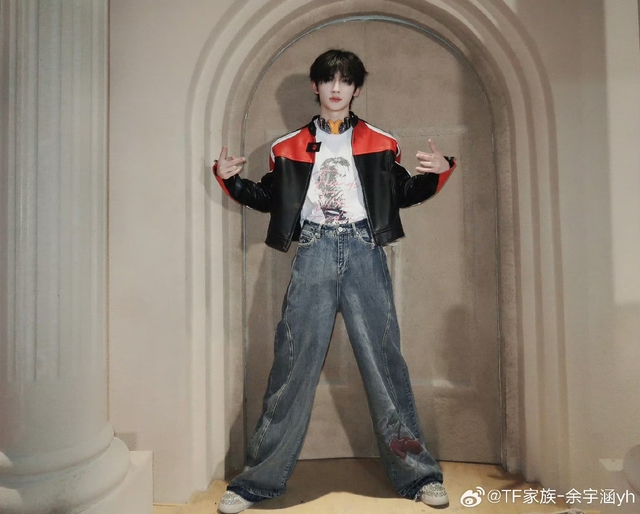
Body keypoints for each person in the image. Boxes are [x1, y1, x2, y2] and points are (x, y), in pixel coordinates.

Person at [213, 49, 456, 513]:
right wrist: (231, 182)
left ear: (357, 88)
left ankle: (419, 475)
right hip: (314, 251)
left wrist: (438, 174)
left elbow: (403, 192)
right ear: (316, 86)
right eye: (329, 80)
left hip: (365, 250)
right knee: (292, 365)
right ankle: (256, 482)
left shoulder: (381, 142)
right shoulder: (287, 146)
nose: (337, 88)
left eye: (346, 80)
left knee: (384, 363)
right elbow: (268, 197)